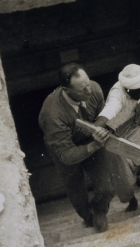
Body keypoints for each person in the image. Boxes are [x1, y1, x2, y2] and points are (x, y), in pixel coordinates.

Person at [38, 63, 114, 232]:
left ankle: (99, 210)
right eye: (82, 89)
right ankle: (87, 216)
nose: (89, 91)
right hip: (64, 148)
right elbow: (67, 154)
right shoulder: (53, 115)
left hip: (90, 139)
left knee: (107, 187)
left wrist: (98, 128)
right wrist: (95, 145)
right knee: (76, 189)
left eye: (88, 83)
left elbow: (102, 113)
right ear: (66, 90)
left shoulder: (93, 89)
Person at [94, 64, 140, 208]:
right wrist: (98, 127)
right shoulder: (117, 92)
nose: (137, 95)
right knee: (121, 172)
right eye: (133, 93)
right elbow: (111, 108)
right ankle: (130, 198)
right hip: (122, 129)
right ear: (126, 89)